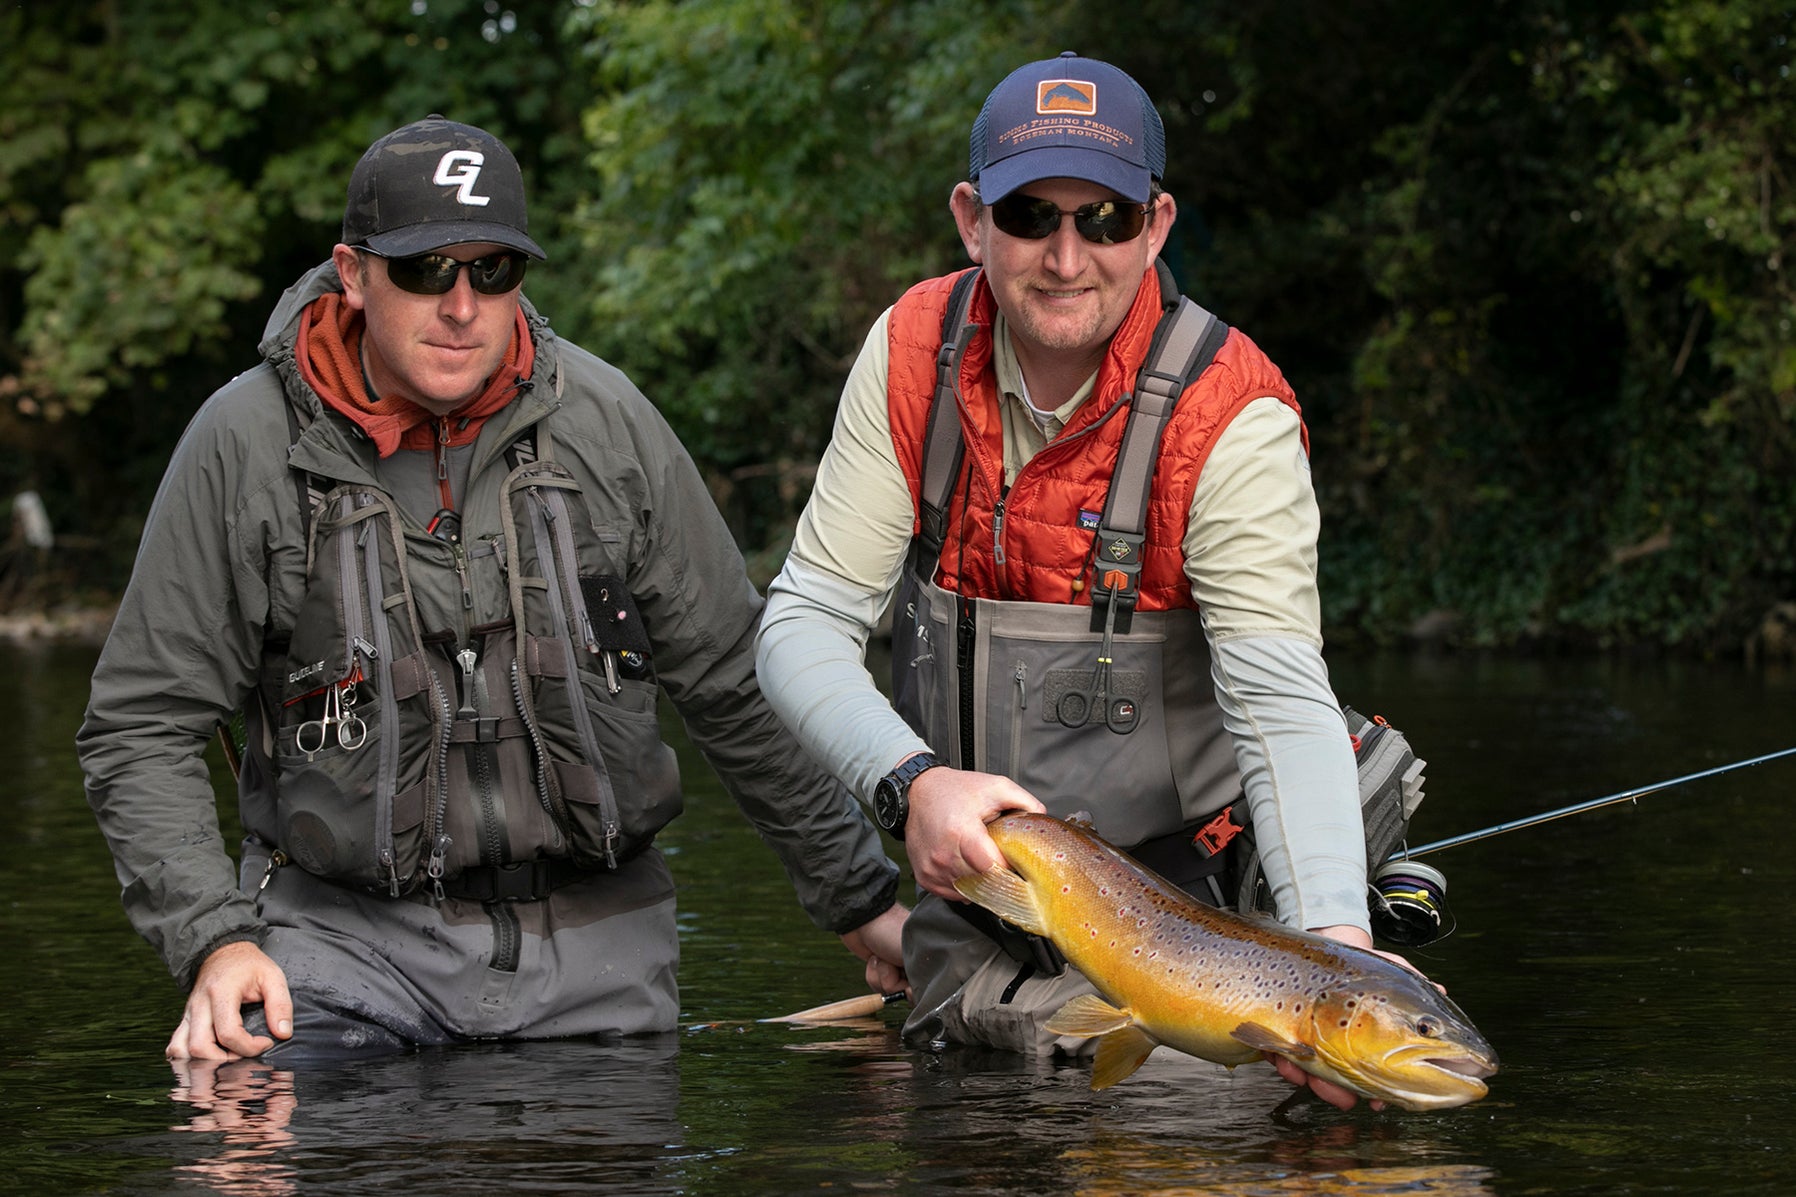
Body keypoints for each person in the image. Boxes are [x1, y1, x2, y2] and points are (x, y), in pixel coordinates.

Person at [77, 116, 908, 1063]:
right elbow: (140, 723)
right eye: (426, 269)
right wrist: (214, 941)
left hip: (603, 961)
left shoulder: (607, 422)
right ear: (353, 274)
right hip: (336, 954)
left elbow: (734, 682)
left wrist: (861, 899)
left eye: (494, 270)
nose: (462, 305)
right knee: (236, 1101)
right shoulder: (243, 444)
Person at [755, 53, 1420, 1110]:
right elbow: (801, 622)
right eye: (1030, 216)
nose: (1066, 258)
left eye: (1105, 219)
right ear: (972, 222)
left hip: (1202, 925)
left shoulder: (1232, 413)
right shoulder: (911, 353)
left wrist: (1334, 954)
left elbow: (1280, 702)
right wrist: (913, 783)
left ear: (1155, 227)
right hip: (981, 914)